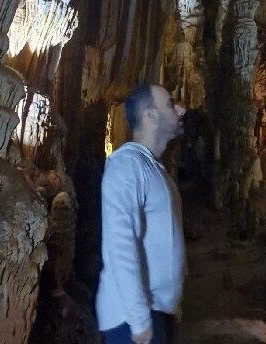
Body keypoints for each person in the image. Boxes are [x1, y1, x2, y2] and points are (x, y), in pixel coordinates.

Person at [96, 84, 186, 344]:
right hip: (132, 320)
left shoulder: (152, 168)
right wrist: (139, 320)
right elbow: (120, 243)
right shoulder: (126, 164)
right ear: (150, 116)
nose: (180, 109)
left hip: (155, 313)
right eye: (170, 104)